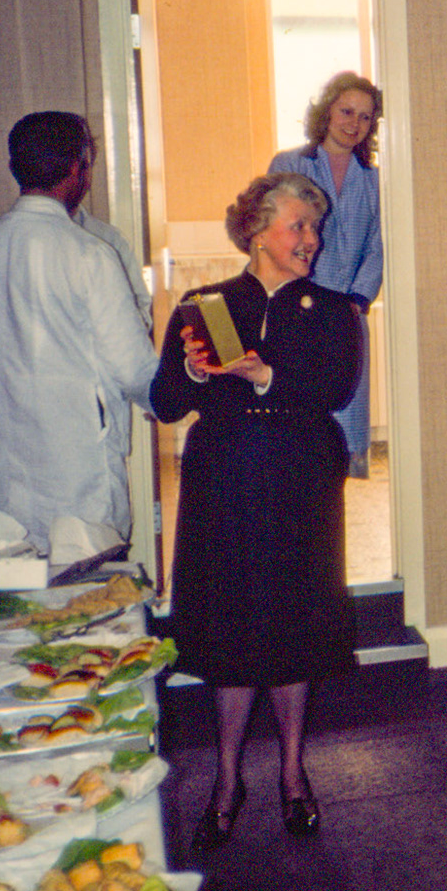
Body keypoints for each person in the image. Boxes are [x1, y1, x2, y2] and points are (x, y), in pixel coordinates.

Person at [151, 169, 362, 850]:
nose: (311, 239)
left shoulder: (334, 310)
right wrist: (189, 369)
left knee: (295, 624)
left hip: (300, 476)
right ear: (256, 230)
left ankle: (294, 776)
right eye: (298, 225)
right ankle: (226, 781)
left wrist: (261, 373)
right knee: (232, 627)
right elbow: (165, 404)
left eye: (315, 227)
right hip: (226, 480)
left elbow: (333, 388)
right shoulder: (204, 305)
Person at [0, 111, 158, 552]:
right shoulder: (89, 255)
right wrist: (179, 390)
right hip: (75, 483)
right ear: (79, 168)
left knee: (11, 597)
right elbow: (134, 369)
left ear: (14, 169)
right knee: (86, 606)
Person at [267, 72, 383, 478]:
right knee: (293, 433)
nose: (354, 123)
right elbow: (269, 231)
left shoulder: (374, 180)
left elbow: (378, 247)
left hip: (346, 314)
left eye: (366, 117)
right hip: (295, 309)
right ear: (327, 110)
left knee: (340, 436)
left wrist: (357, 302)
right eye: (346, 111)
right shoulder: (289, 164)